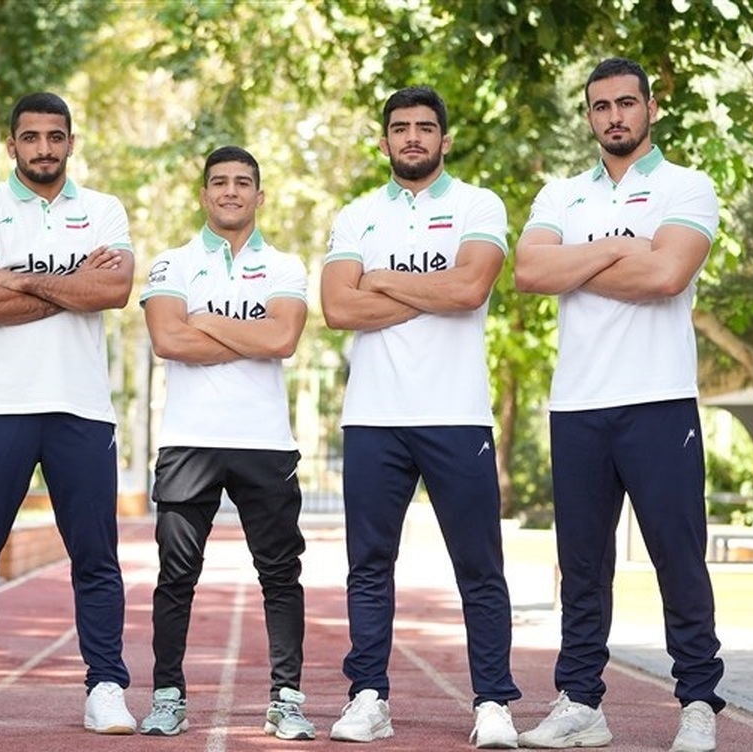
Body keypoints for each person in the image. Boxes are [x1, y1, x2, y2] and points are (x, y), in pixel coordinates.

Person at [513, 57, 723, 752]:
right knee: (581, 568)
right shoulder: (560, 194)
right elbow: (530, 271)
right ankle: (581, 703)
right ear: (589, 116)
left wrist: (578, 262)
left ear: (650, 108)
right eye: (601, 106)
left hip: (659, 401)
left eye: (626, 103)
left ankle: (698, 702)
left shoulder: (687, 186)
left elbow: (667, 274)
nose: (614, 116)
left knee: (678, 559)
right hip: (578, 406)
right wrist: (616, 248)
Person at [0, 92, 136, 735]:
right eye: (31, 137)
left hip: (81, 409)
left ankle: (105, 686)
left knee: (95, 558)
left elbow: (114, 289)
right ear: (12, 144)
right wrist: (72, 286)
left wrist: (17, 278)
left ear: (71, 142)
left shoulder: (103, 209)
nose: (44, 148)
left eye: (55, 136)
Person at [320, 86, 521, 749]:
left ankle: (493, 702)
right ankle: (368, 698)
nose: (413, 136)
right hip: (373, 417)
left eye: (425, 127)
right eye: (401, 127)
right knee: (369, 565)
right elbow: (338, 308)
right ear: (384, 141)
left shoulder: (478, 205)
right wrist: (433, 292)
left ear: (445, 139)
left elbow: (471, 288)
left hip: (456, 415)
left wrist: (378, 280)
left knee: (479, 567)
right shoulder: (356, 215)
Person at [137, 146, 315, 740]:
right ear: (204, 194)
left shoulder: (285, 266)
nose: (231, 191)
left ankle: (287, 700)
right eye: (219, 182)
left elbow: (283, 339)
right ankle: (167, 697)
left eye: (242, 183)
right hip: (189, 442)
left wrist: (206, 321)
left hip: (265, 443)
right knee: (176, 575)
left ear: (259, 196)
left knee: (280, 575)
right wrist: (250, 333)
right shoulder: (172, 264)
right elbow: (168, 340)